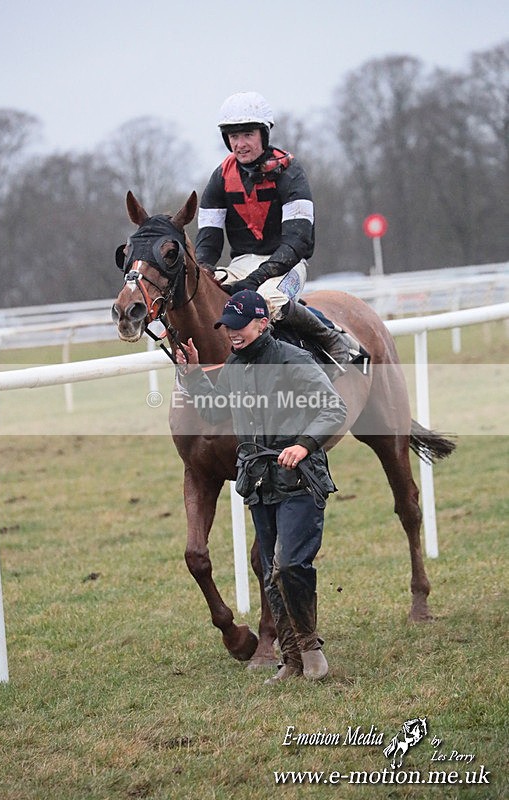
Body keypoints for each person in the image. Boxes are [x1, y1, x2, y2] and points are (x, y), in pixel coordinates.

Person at [175, 290, 347, 684]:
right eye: (227, 327)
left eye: (239, 326)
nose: (232, 334)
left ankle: (309, 646)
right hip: (260, 484)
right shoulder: (236, 365)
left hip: (300, 480)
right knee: (270, 570)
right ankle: (289, 657)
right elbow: (217, 412)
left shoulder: (294, 360)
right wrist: (193, 376)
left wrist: (303, 445)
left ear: (262, 323)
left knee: (289, 565)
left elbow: (333, 408)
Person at [195, 90, 349, 372]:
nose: (240, 144)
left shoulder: (290, 172)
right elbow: (208, 242)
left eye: (247, 135)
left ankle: (329, 337)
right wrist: (203, 270)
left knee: (266, 300)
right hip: (241, 265)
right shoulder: (219, 178)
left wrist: (256, 279)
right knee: (203, 292)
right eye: (233, 137)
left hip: (287, 265)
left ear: (264, 134)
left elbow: (297, 242)